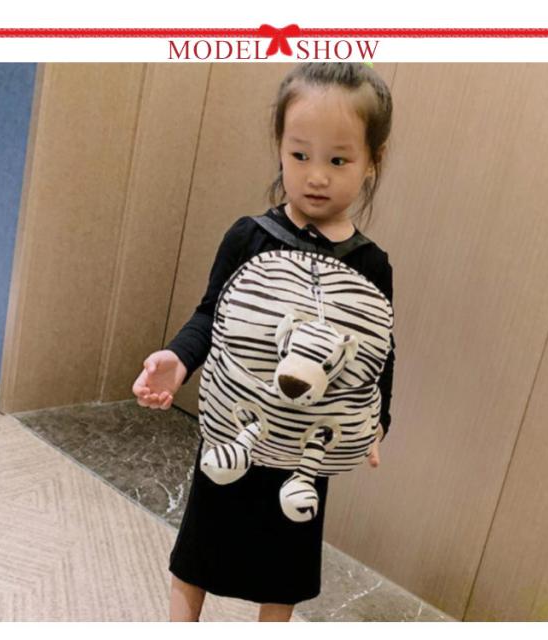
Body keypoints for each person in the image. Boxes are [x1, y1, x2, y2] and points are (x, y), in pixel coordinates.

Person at [132, 62, 395, 622]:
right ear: (279, 146)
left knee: (285, 561)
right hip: (236, 424)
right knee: (200, 546)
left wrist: (378, 420)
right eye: (300, 154)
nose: (316, 176)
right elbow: (212, 313)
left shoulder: (371, 266)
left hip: (307, 442)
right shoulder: (249, 236)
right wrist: (178, 359)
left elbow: (377, 353)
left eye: (338, 160)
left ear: (373, 159)